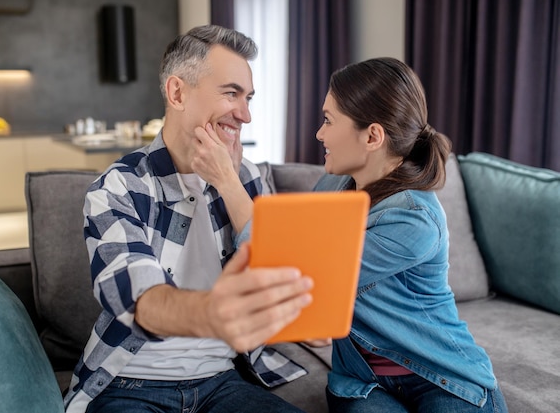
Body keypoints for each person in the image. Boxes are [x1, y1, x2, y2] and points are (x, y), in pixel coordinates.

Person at [63, 25, 314, 413]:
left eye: (248, 98)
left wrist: (228, 182)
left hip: (222, 380)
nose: (245, 114)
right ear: (177, 92)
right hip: (131, 382)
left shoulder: (247, 177)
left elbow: (283, 270)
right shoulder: (119, 187)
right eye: (231, 93)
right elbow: (137, 298)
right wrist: (210, 314)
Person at [313, 57, 508, 413]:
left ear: (372, 136)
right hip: (362, 382)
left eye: (328, 120)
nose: (319, 133)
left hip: (441, 376)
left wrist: (227, 182)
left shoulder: (413, 217)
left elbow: (314, 273)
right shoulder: (332, 187)